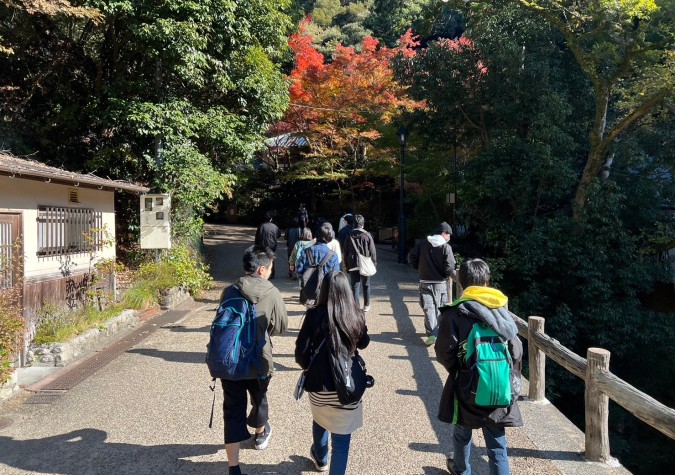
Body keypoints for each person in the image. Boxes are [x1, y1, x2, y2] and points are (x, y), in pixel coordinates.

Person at [435, 258, 523, 475]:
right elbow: (517, 349)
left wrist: (461, 371)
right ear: (486, 281)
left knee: (462, 434)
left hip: (467, 387)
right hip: (499, 387)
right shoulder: (501, 308)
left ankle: (461, 470)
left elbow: (444, 352)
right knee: (497, 445)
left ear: (462, 282)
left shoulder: (455, 313)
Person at [220, 245, 288, 475]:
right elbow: (280, 327)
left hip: (229, 360)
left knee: (232, 410)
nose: (270, 272)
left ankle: (233, 468)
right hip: (259, 359)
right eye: (269, 268)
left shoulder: (229, 290)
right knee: (259, 400)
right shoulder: (271, 291)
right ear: (260, 270)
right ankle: (260, 434)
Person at [295, 271, 370, 474]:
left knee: (320, 418)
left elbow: (300, 354)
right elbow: (363, 343)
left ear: (324, 289)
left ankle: (321, 459)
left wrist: (311, 365)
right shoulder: (355, 313)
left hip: (320, 387)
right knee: (342, 441)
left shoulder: (313, 314)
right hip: (348, 385)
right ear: (347, 290)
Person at [408, 221, 457, 346]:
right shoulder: (446, 247)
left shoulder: (423, 244)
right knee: (440, 308)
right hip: (440, 282)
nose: (449, 238)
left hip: (425, 281)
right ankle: (439, 333)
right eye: (449, 235)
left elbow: (411, 257)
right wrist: (445, 274)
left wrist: (419, 268)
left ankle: (432, 334)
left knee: (428, 308)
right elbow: (450, 267)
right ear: (444, 233)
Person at [344, 214, 377, 312]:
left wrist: (347, 266)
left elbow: (345, 252)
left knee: (355, 286)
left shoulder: (349, 236)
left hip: (353, 264)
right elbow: (373, 251)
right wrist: (374, 264)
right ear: (362, 223)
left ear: (353, 224)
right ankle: (366, 305)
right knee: (366, 284)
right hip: (365, 263)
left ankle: (356, 307)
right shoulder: (367, 235)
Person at [254, 212, 282, 279]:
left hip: (263, 245)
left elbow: (257, 236)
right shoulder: (275, 226)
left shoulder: (261, 226)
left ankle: (262, 273)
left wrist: (256, 245)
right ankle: (271, 273)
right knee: (271, 259)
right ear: (271, 219)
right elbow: (279, 235)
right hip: (272, 245)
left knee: (263, 259)